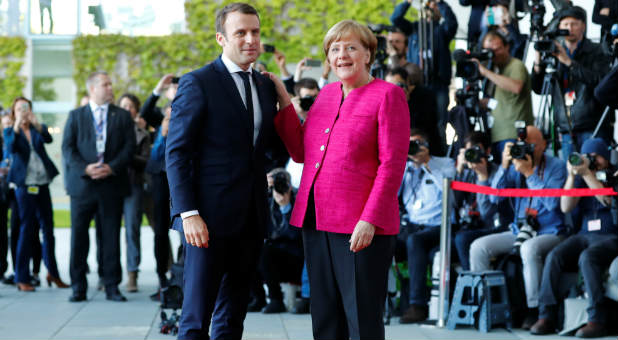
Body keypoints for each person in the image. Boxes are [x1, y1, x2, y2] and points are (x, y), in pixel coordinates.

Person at [268, 19, 410, 339]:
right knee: (325, 317)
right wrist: (283, 98)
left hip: (361, 225)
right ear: (329, 59)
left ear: (368, 54)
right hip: (315, 217)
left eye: (350, 47)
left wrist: (369, 219)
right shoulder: (327, 94)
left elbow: (392, 164)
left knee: (361, 318)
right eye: (334, 49)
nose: (341, 55)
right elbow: (301, 152)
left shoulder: (388, 95)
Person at [165, 3, 285, 339]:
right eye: (241, 33)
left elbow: (265, 147)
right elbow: (177, 154)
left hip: (250, 218)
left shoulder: (264, 86)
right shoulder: (198, 83)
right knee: (195, 319)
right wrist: (188, 214)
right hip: (206, 220)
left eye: (256, 32)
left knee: (233, 318)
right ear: (221, 38)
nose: (251, 39)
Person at [469, 126, 566, 329]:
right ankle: (486, 308)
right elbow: (494, 197)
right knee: (479, 247)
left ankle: (535, 311)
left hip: (550, 231)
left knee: (528, 248)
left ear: (544, 146)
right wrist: (504, 166)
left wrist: (530, 174)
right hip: (518, 230)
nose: (525, 150)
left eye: (530, 145)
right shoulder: (515, 165)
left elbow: (553, 205)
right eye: (521, 145)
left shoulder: (557, 166)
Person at [531, 138, 618, 338]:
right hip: (584, 234)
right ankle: (547, 315)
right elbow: (565, 207)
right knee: (555, 256)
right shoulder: (580, 178)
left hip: (610, 235)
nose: (592, 160)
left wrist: (588, 173)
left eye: (595, 157)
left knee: (588, 257)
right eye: (588, 157)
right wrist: (572, 176)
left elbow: (607, 201)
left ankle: (596, 319)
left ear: (605, 157)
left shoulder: (613, 174)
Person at [62, 71, 136, 302]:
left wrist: (111, 167)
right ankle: (78, 287)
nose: (110, 88)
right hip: (83, 187)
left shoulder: (122, 116)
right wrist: (86, 168)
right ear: (93, 89)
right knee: (79, 238)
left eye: (110, 83)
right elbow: (68, 149)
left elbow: (129, 148)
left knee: (111, 237)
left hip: (111, 185)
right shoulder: (76, 116)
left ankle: (112, 285)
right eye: (105, 84)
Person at [531, 6, 611, 160]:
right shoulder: (553, 53)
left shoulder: (597, 50)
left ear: (583, 26)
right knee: (573, 178)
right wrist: (538, 59)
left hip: (593, 126)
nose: (569, 28)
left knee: (594, 175)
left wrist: (569, 62)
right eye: (565, 24)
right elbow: (538, 88)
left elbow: (601, 82)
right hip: (566, 128)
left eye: (574, 24)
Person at [5, 97, 68, 292]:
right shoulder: (10, 131)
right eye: (20, 108)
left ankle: (53, 273)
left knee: (48, 230)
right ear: (14, 112)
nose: (24, 111)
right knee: (26, 229)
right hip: (25, 186)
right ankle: (21, 276)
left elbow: (48, 139)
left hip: (42, 184)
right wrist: (16, 124)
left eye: (27, 107)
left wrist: (37, 124)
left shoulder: (36, 128)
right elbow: (10, 148)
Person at [397, 129, 455, 323]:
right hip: (410, 224)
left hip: (437, 226)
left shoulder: (445, 164)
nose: (413, 148)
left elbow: (451, 197)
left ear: (427, 146)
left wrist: (428, 164)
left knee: (415, 242)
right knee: (380, 241)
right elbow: (390, 193)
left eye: (417, 144)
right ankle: (378, 302)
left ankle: (417, 305)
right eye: (409, 144)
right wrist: (400, 165)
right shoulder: (403, 168)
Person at [390, 0, 458, 132]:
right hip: (417, 83)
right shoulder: (414, 28)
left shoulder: (442, 30)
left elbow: (452, 23)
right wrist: (408, 2)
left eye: (434, 5)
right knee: (417, 121)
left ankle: (439, 150)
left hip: (438, 85)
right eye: (429, 4)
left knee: (439, 123)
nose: (431, 7)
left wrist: (440, 3)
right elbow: (395, 19)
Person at [474, 29, 533, 162]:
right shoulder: (496, 70)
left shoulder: (515, 65)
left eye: (497, 49)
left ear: (507, 47)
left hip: (513, 134)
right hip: (496, 134)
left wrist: (485, 72)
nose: (493, 54)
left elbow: (516, 87)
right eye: (488, 50)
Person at [453, 131, 508, 271]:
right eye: (470, 151)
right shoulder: (466, 173)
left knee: (462, 239)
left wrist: (482, 178)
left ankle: (471, 285)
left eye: (477, 150)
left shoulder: (497, 174)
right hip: (468, 225)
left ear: (487, 151)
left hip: (492, 226)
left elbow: (487, 214)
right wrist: (458, 171)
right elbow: (453, 205)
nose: (474, 155)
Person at [118, 93, 151, 293]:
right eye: (124, 105)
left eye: (131, 106)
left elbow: (146, 161)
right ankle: (108, 274)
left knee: (132, 229)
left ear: (136, 110)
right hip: (112, 185)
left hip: (133, 185)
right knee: (108, 230)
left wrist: (127, 156)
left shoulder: (142, 134)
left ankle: (132, 273)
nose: (127, 109)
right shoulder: (111, 131)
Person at [145, 103, 172, 298]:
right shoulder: (159, 132)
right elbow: (154, 158)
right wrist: (163, 134)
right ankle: (162, 277)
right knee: (160, 231)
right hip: (161, 182)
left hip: (184, 181)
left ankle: (180, 275)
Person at [385, 66, 444, 156]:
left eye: (398, 85)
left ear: (407, 82)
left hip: (427, 150)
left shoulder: (426, 96)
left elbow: (423, 128)